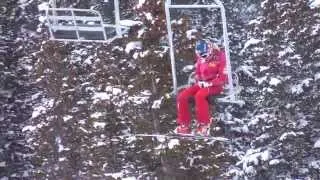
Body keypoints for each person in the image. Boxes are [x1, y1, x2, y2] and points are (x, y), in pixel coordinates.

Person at [175, 39, 227, 136]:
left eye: (205, 55)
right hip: (202, 83)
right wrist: (199, 80)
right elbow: (198, 72)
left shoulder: (221, 57)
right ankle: (184, 124)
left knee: (199, 95)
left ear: (210, 50)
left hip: (216, 85)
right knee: (182, 96)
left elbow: (222, 77)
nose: (203, 58)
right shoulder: (201, 59)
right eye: (201, 56)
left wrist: (210, 83)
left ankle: (204, 124)